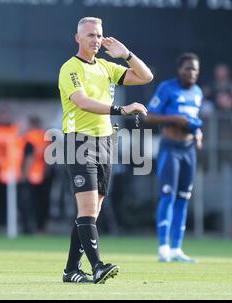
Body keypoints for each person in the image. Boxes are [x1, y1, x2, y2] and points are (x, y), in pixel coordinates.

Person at [58, 17, 152, 283]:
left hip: (104, 143)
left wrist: (127, 55)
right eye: (89, 35)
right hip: (79, 142)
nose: (95, 40)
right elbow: (82, 102)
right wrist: (120, 110)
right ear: (77, 38)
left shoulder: (107, 67)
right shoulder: (70, 68)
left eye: (98, 35)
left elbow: (146, 76)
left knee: (90, 212)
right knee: (87, 209)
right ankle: (97, 266)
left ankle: (71, 271)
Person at [146, 53, 203, 263]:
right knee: (167, 196)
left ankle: (177, 248)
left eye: (195, 69)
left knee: (183, 198)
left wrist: (198, 133)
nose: (192, 73)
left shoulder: (197, 92)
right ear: (179, 69)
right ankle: (163, 247)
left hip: (189, 150)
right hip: (170, 148)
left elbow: (195, 120)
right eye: (188, 68)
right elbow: (149, 115)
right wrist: (174, 119)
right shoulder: (167, 88)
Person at [18, 115, 51, 234]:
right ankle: (41, 228)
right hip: (44, 174)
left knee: (28, 203)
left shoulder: (28, 137)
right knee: (43, 203)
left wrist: (23, 175)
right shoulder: (45, 136)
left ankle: (28, 228)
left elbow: (29, 157)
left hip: (31, 174)